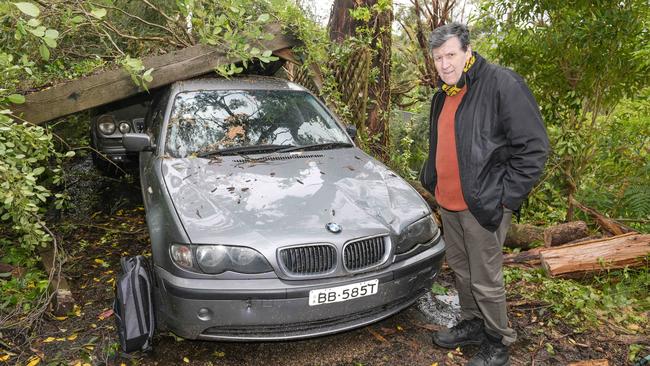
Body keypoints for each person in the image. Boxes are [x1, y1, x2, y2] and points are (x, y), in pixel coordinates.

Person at [420, 22, 549, 366]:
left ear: (467, 51)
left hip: (484, 204)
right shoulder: (443, 94)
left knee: (486, 278)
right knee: (462, 271)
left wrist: (507, 198)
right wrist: (432, 179)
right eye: (437, 58)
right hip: (448, 202)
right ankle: (473, 323)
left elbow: (534, 148)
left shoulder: (500, 84)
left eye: (450, 55)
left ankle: (498, 339)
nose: (444, 64)